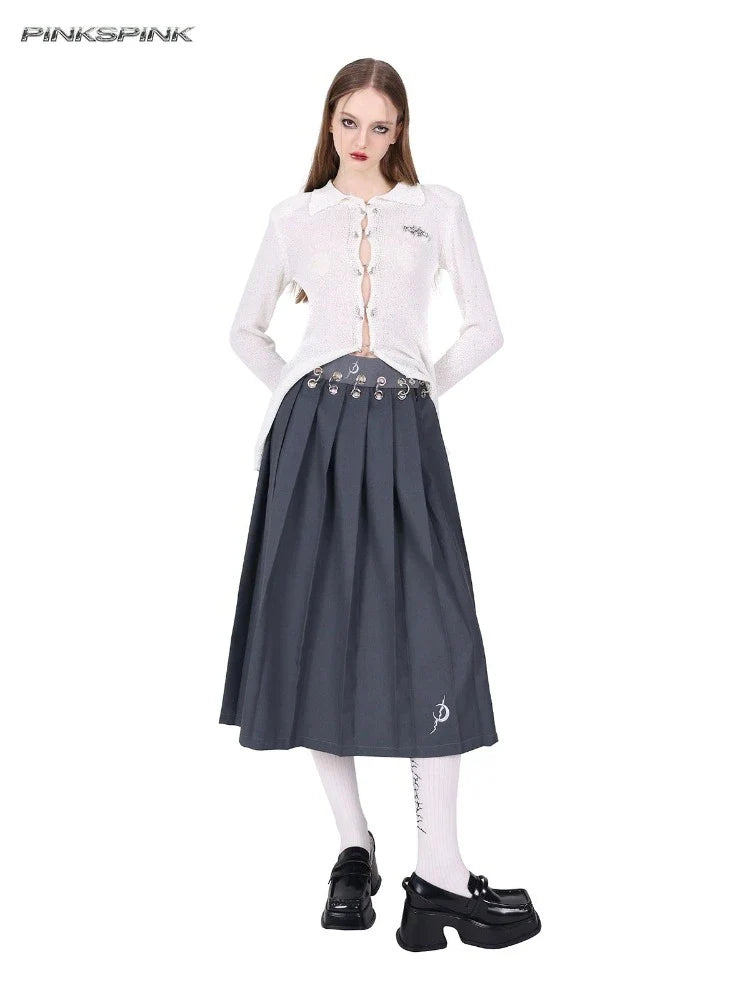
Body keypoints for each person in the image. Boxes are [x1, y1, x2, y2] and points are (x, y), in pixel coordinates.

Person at [218, 57, 541, 951]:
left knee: (437, 635)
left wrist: (419, 387)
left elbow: (487, 328)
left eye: (381, 125)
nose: (363, 140)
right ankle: (354, 847)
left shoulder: (436, 209)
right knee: (319, 633)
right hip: (311, 439)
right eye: (350, 122)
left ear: (401, 131)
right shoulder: (294, 218)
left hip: (404, 431)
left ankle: (439, 870)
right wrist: (299, 394)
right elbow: (244, 329)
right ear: (330, 122)